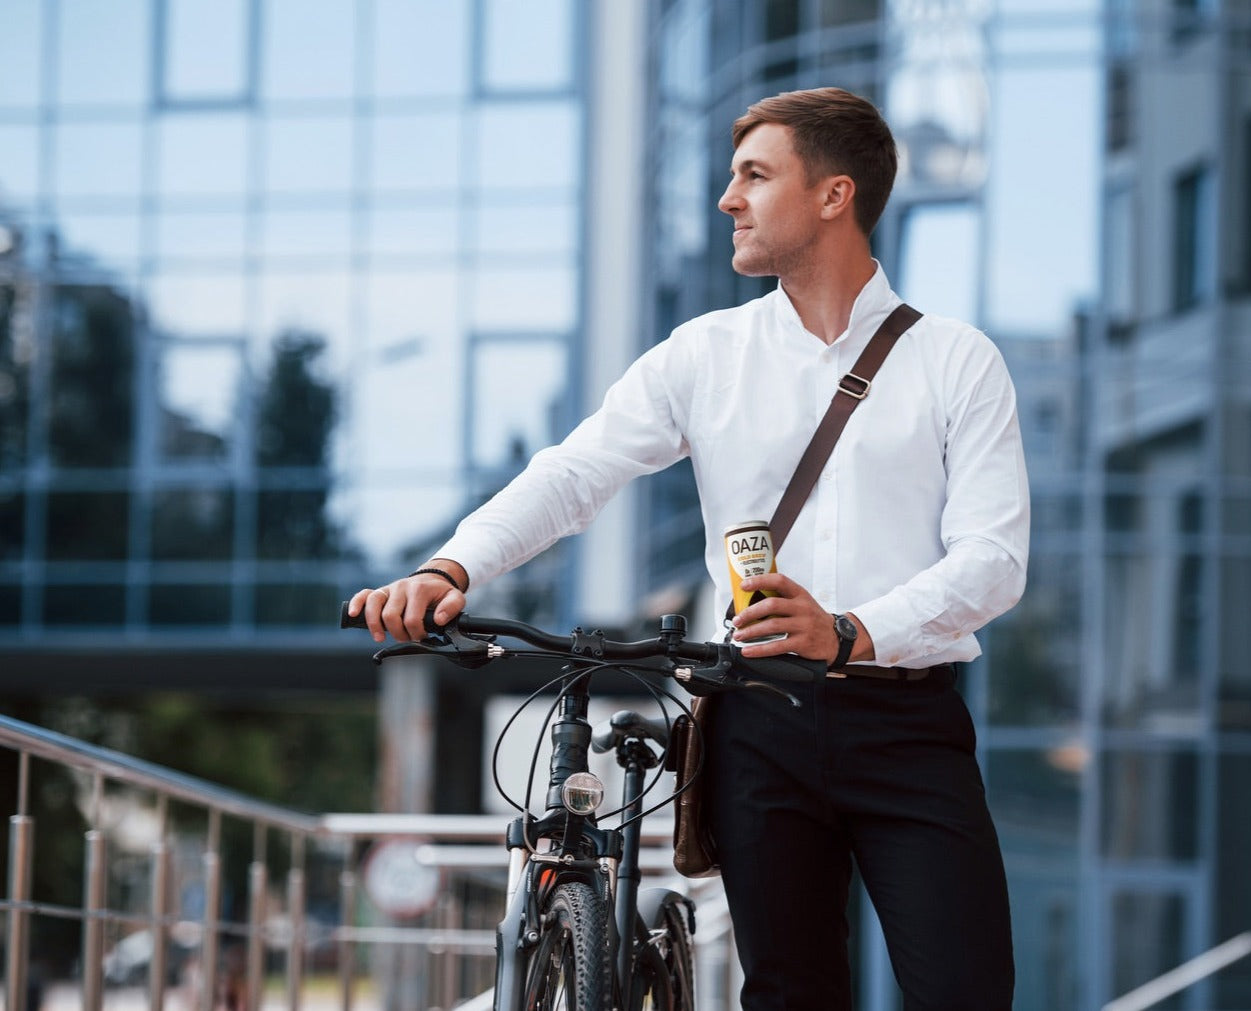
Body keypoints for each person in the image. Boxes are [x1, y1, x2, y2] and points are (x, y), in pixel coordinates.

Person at [349, 86, 1027, 1010]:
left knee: (966, 990)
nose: (727, 199)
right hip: (756, 724)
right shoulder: (704, 354)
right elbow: (574, 472)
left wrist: (850, 630)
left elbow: (993, 559)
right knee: (789, 994)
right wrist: (452, 565)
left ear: (834, 195)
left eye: (754, 174)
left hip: (908, 726)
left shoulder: (957, 360)